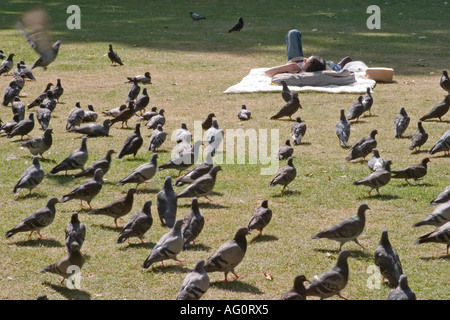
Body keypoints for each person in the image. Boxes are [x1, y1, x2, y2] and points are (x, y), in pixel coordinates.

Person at [265, 29, 351, 78]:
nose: (305, 58)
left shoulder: (294, 71)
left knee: (333, 65)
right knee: (293, 33)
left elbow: (268, 73)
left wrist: (286, 67)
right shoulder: (323, 67)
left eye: (306, 60)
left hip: (298, 64)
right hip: (313, 65)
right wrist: (324, 66)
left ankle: (339, 65)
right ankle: (337, 65)